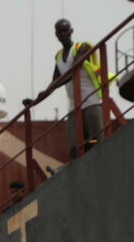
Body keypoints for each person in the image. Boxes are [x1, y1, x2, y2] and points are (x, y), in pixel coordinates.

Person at [51, 19, 105, 158]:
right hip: (73, 106)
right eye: (60, 31)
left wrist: (54, 85)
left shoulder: (82, 47)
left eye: (66, 30)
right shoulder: (58, 57)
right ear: (56, 34)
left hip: (90, 100)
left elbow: (73, 71)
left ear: (71, 31)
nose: (63, 34)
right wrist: (37, 98)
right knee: (74, 149)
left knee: (98, 140)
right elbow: (54, 82)